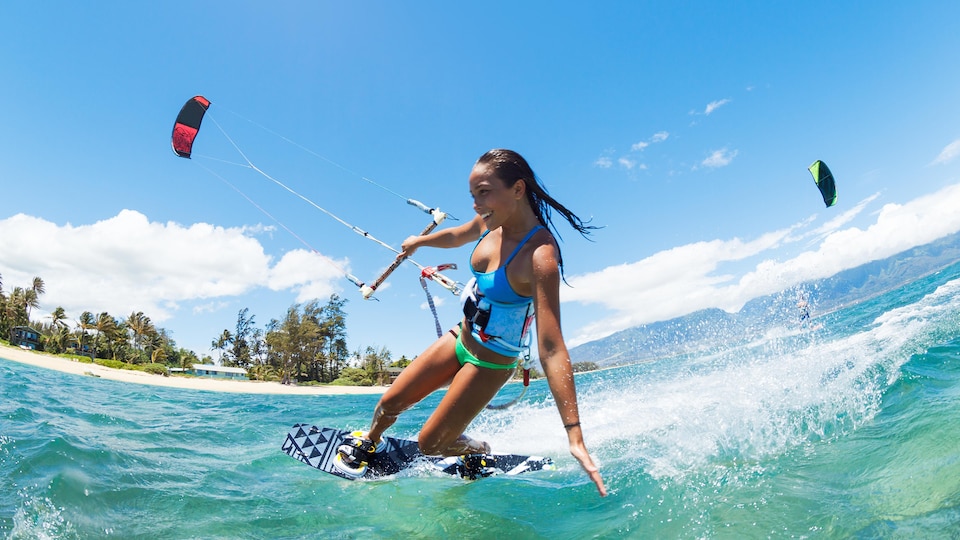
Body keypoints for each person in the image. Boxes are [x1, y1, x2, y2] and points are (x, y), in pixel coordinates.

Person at [337, 149, 607, 497]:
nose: (477, 204)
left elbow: (552, 348)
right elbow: (457, 235)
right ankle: (370, 441)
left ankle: (477, 449)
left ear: (518, 189)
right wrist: (420, 242)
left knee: (430, 444)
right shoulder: (491, 221)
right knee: (389, 404)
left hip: (492, 361)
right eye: (473, 196)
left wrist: (575, 436)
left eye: (484, 192)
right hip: (461, 337)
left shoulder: (540, 256)